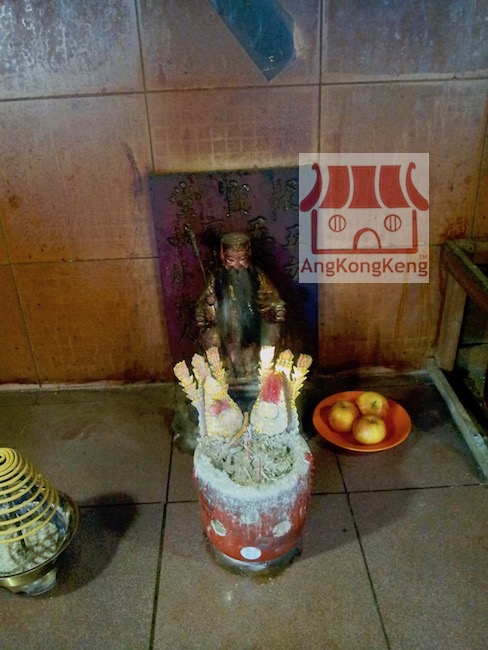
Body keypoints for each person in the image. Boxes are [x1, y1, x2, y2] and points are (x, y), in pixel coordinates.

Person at [195, 232, 285, 379]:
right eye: (231, 260)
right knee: (213, 338)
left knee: (268, 334)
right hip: (225, 325)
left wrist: (274, 307)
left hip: (253, 323)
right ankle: (226, 371)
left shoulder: (256, 275)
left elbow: (272, 297)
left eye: (242, 259)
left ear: (249, 254)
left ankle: (254, 371)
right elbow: (202, 306)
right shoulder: (216, 278)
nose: (237, 265)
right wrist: (209, 304)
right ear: (222, 255)